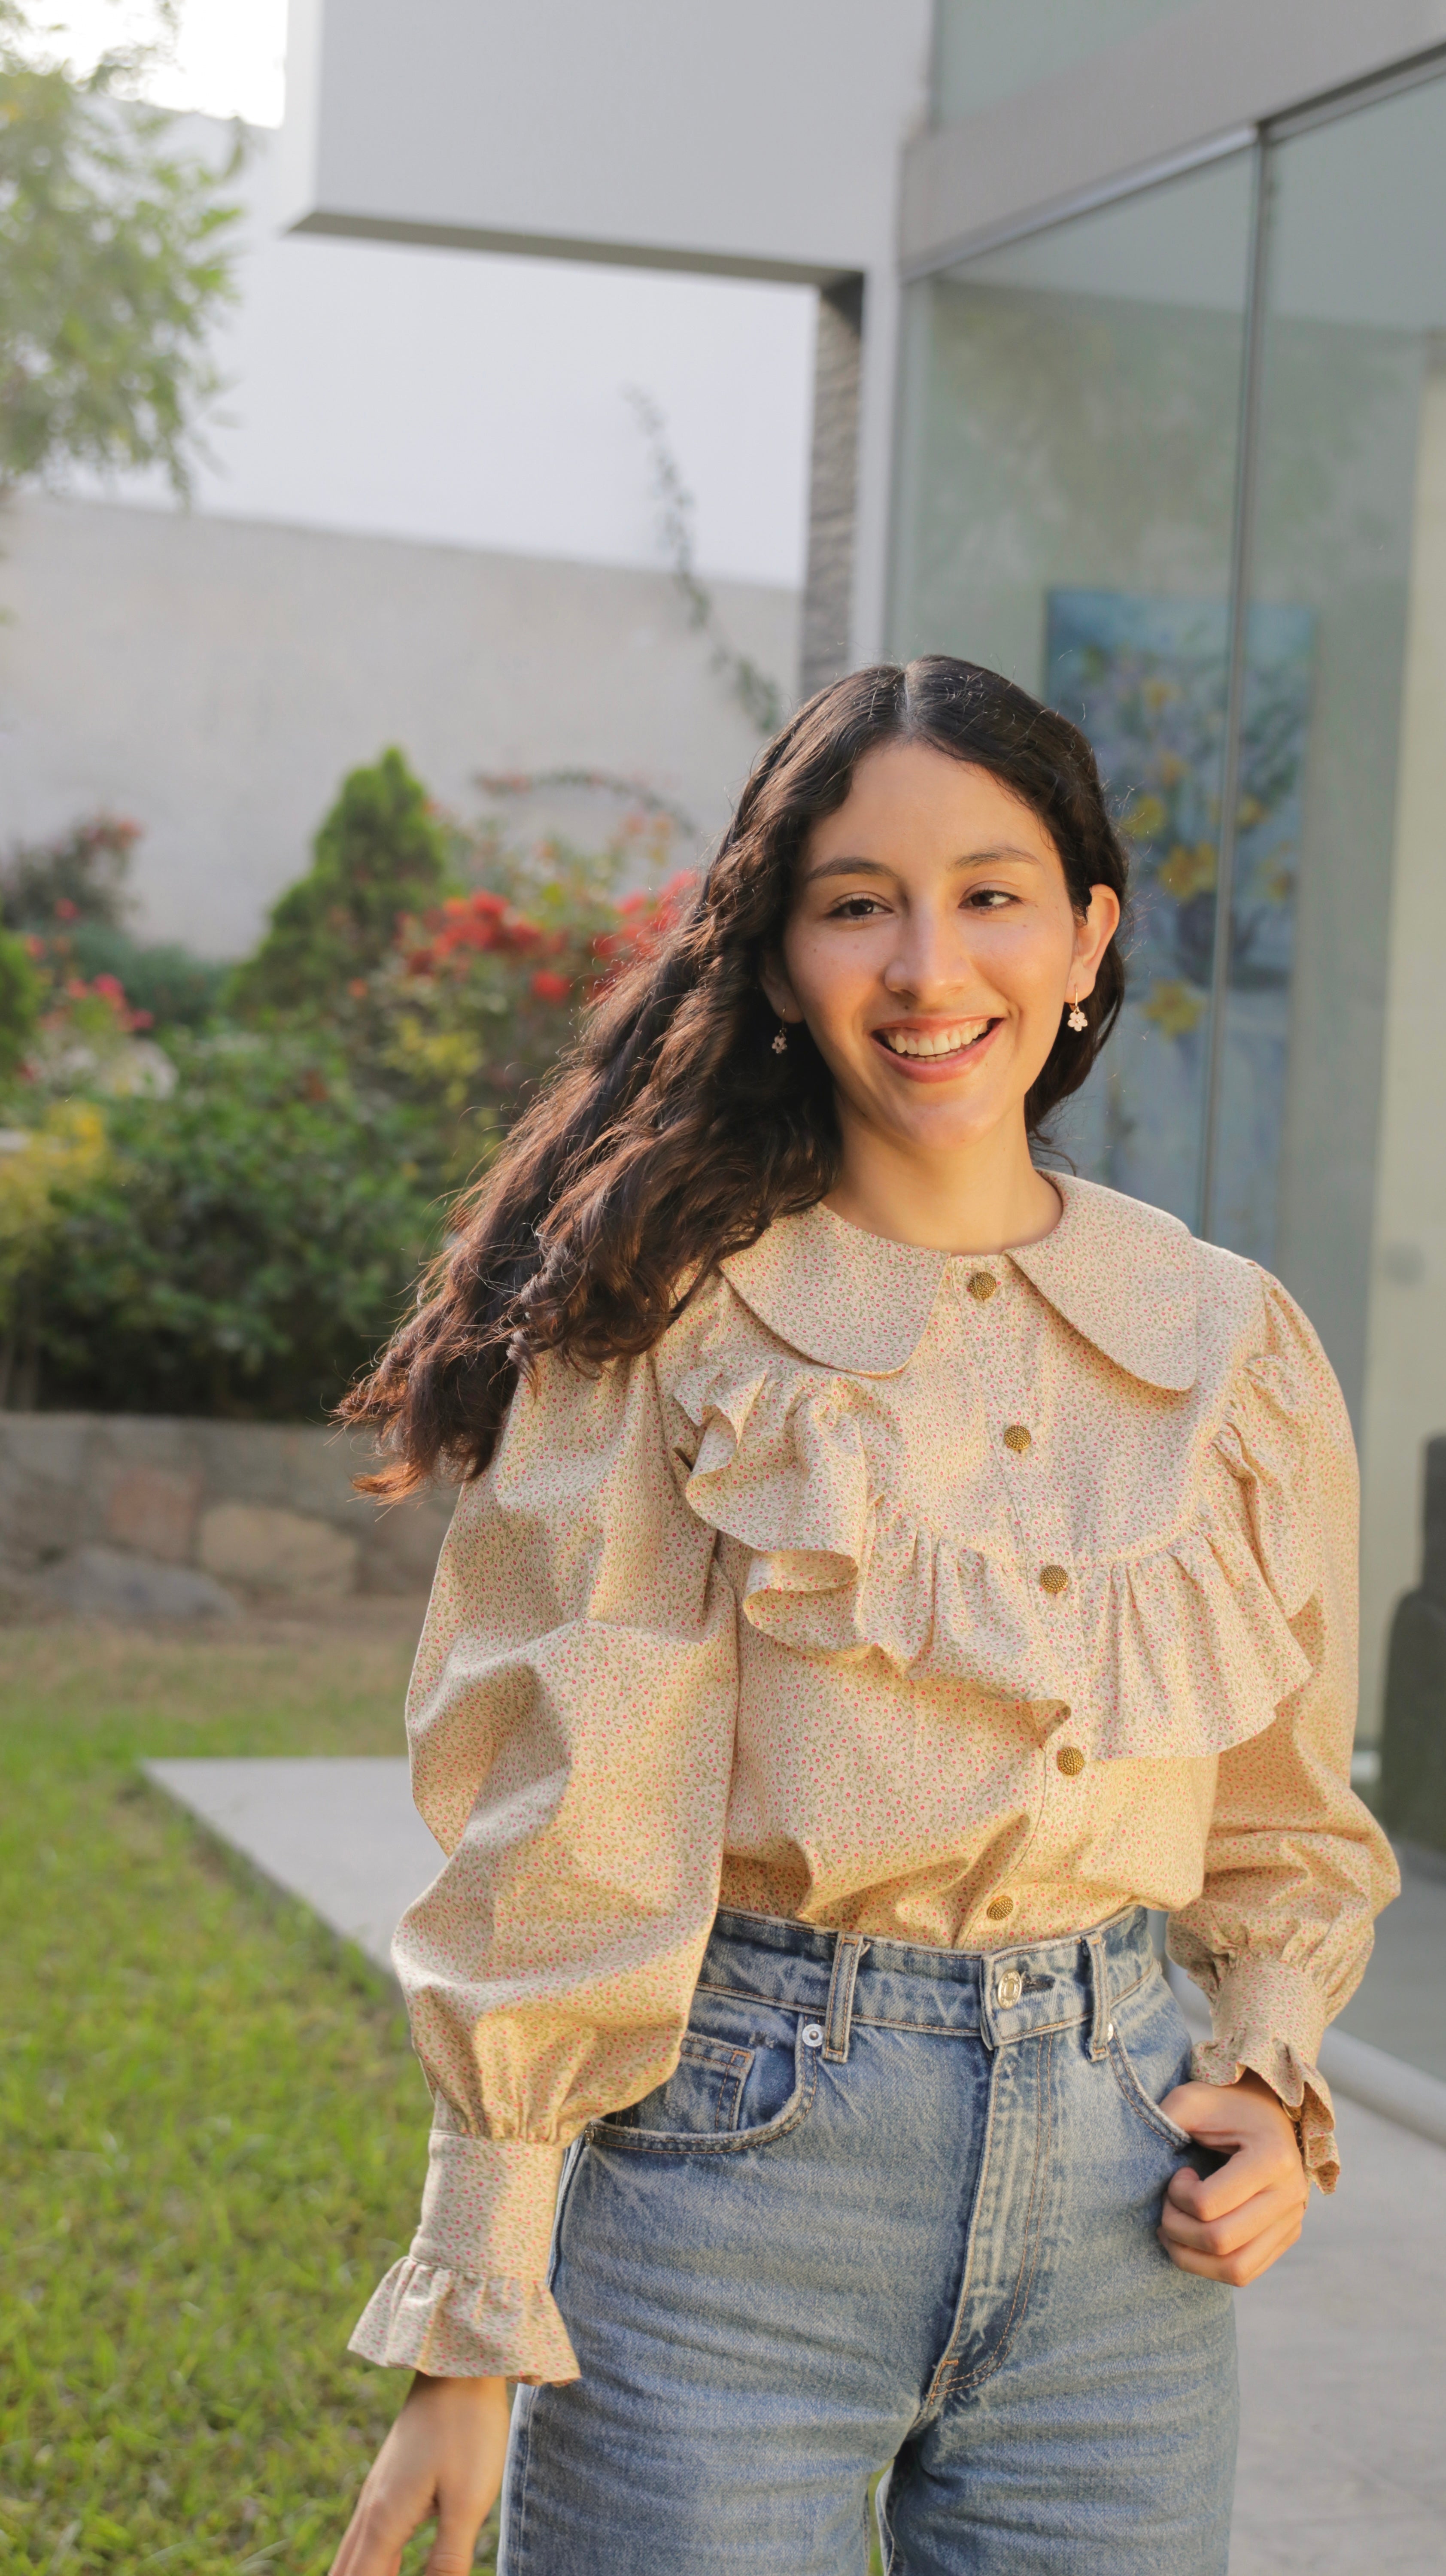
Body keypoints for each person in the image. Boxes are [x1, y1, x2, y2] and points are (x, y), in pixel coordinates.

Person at [328, 659, 1396, 2576]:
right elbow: (565, 1823)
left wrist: (1260, 2067)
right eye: (855, 904)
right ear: (774, 957)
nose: (926, 966)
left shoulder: (1229, 1347)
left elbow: (1280, 1815)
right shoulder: (666, 1330)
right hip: (728, 2193)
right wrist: (476, 2305)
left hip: (1127, 2219)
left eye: (990, 895)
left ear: (1088, 939)